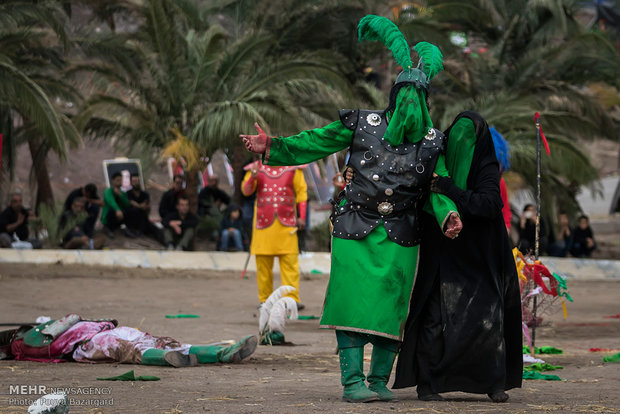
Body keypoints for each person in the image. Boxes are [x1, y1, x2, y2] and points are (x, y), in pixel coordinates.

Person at [241, 15, 462, 403]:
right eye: (404, 97)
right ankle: (351, 382)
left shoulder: (433, 142)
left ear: (426, 103)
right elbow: (317, 141)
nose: (411, 105)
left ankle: (378, 380)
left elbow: (436, 187)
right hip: (354, 227)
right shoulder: (363, 122)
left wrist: (447, 214)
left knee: (392, 307)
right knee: (351, 301)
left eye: (418, 98)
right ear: (393, 97)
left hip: (402, 234)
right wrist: (273, 147)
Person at [392, 111, 523, 403]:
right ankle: (428, 382)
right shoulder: (435, 163)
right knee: (434, 316)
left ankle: (492, 382)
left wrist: (451, 189)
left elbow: (488, 204)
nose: (460, 145)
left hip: (482, 256)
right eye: (456, 138)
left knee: (486, 319)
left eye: (468, 139)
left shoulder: (487, 167)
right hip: (443, 253)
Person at [2, 314, 257, 367]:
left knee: (148, 343)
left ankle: (226, 353)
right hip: (87, 345)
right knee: (136, 347)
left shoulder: (28, 342)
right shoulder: (28, 341)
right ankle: (223, 354)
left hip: (95, 338)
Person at [241, 160, 308, 309]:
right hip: (263, 226)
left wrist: (302, 216)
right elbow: (246, 190)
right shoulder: (256, 168)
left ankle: (291, 299)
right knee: (263, 266)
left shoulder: (294, 169)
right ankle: (265, 300)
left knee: (290, 264)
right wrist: (253, 176)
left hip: (287, 225)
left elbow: (302, 194)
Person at [101, 172, 133, 238]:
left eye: (120, 180)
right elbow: (111, 201)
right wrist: (117, 210)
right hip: (109, 217)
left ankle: (125, 228)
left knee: (130, 210)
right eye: (117, 180)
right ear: (113, 181)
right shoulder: (108, 191)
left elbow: (127, 204)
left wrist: (120, 195)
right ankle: (107, 229)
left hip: (119, 217)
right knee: (112, 210)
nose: (119, 182)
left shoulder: (123, 193)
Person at [125, 173, 158, 238]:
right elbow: (131, 202)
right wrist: (140, 206)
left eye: (137, 181)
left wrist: (143, 207)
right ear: (131, 183)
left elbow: (146, 205)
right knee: (134, 210)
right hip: (131, 220)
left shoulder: (145, 194)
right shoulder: (128, 193)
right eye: (134, 181)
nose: (136, 183)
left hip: (143, 219)